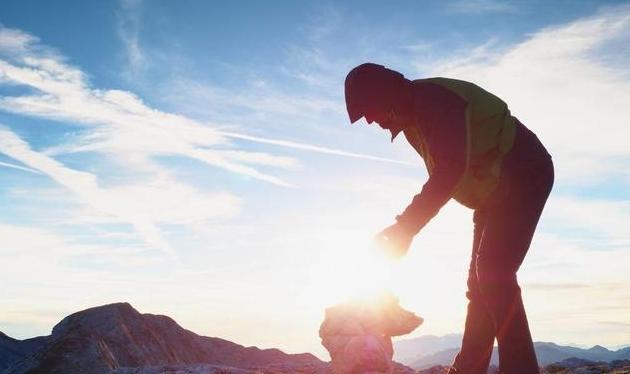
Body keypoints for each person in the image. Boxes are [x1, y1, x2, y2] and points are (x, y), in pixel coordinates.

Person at [344, 63, 554, 373]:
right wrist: (405, 230)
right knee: (480, 282)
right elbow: (453, 171)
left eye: (369, 110)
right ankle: (469, 369)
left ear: (385, 95)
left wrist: (405, 228)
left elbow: (449, 171)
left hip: (523, 172)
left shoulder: (433, 101)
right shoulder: (416, 116)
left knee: (494, 273)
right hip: (494, 191)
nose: (371, 121)